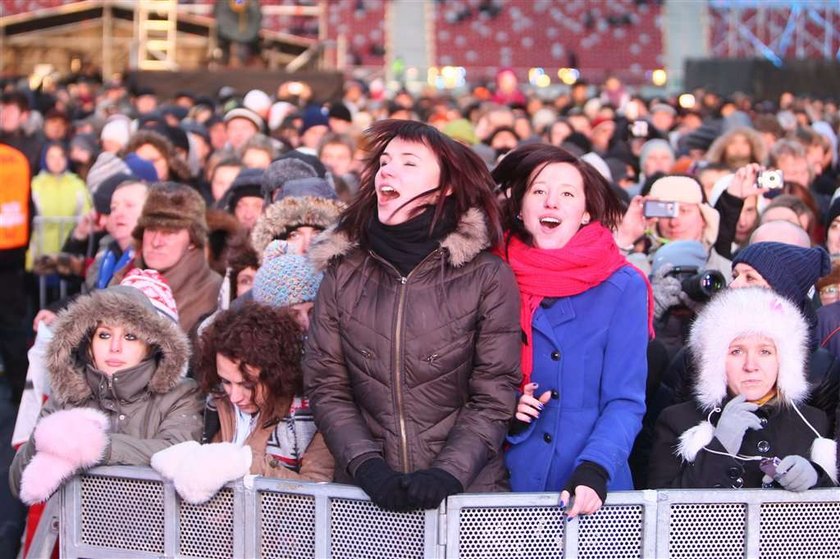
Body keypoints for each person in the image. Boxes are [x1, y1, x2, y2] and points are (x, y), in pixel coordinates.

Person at [303, 119, 521, 512]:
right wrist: (367, 467)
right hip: (366, 496)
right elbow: (327, 386)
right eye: (384, 162)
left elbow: (494, 394)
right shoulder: (344, 272)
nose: (388, 169)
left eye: (409, 162)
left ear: (447, 185)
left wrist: (447, 474)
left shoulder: (486, 275)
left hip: (467, 496)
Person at [492, 143, 652, 518]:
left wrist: (595, 467)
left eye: (567, 194)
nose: (552, 202)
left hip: (589, 490)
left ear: (584, 212)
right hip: (504, 484)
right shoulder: (490, 275)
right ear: (520, 207)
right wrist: (506, 409)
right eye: (539, 191)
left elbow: (625, 401)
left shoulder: (623, 286)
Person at [9, 269, 203, 503]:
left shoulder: (180, 394)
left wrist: (99, 447)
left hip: (156, 535)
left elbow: (180, 452)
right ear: (89, 343)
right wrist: (44, 440)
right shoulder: (69, 391)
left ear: (150, 346)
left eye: (130, 337)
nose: (115, 347)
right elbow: (17, 482)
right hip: (79, 536)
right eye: (104, 335)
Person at [648, 287, 837, 490]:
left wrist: (818, 478)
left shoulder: (812, 421)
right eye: (736, 351)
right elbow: (662, 511)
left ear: (784, 360)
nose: (751, 366)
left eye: (765, 351)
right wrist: (719, 448)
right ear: (715, 360)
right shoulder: (679, 421)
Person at [129, 182, 222, 335]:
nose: (156, 242)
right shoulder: (122, 278)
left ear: (192, 240)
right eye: (151, 229)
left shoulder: (212, 292)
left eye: (169, 232)